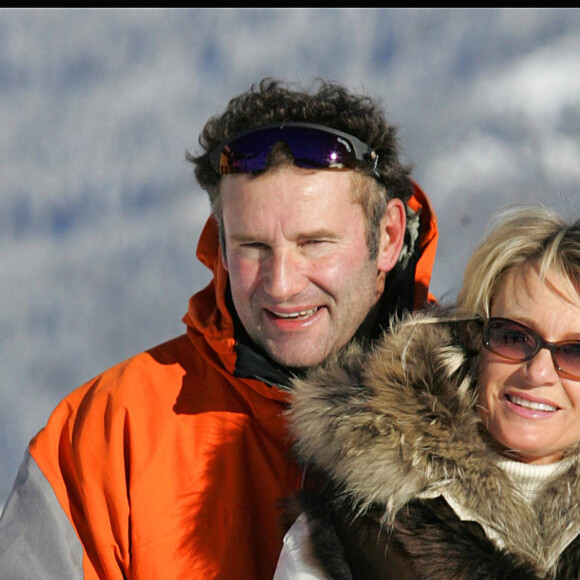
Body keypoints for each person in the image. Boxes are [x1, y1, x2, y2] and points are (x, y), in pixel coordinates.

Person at [0, 78, 438, 579]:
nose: (282, 284)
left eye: (315, 243)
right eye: (253, 246)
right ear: (221, 241)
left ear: (387, 236)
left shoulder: (479, 416)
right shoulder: (111, 432)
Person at [274, 205, 580, 580]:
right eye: (514, 337)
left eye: (575, 352)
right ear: (476, 339)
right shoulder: (357, 526)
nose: (537, 372)